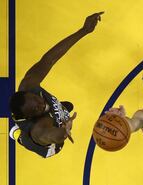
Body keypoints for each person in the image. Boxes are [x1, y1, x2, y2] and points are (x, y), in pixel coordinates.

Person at [8, 12, 103, 158]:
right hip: (50, 145)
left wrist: (84, 30)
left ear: (29, 92)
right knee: (24, 137)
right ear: (30, 116)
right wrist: (64, 130)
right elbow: (54, 136)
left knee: (65, 106)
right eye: (36, 109)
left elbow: (50, 59)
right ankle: (18, 135)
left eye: (37, 99)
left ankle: (58, 111)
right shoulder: (38, 130)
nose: (41, 103)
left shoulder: (29, 83)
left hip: (49, 117)